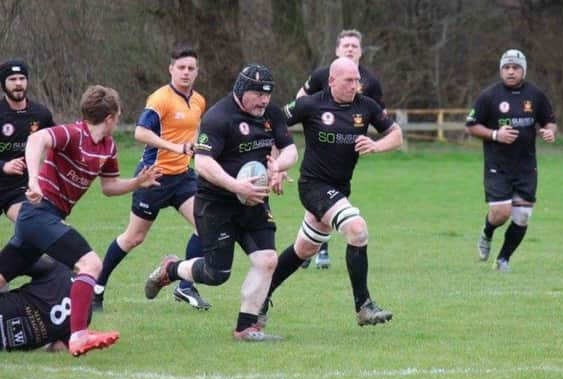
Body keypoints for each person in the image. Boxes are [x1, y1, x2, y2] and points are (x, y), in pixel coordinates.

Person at [0, 85, 161, 356]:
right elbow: (37, 139)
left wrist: (138, 183)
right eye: (118, 113)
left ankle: (74, 335)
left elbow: (108, 187)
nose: (119, 117)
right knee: (90, 263)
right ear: (110, 117)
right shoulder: (73, 133)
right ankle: (78, 336)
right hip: (38, 214)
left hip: (42, 220)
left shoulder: (108, 147)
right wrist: (33, 180)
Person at [144, 64, 298, 341]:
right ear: (241, 91)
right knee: (216, 274)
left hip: (253, 202)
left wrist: (278, 166)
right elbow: (202, 162)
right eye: (257, 95)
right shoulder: (219, 116)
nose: (264, 100)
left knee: (267, 260)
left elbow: (289, 149)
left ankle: (246, 327)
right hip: (216, 204)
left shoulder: (270, 113)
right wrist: (235, 185)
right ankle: (171, 268)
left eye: (268, 94)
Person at [259, 57, 403, 328]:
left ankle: (259, 297)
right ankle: (364, 306)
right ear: (332, 81)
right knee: (357, 230)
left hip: (339, 189)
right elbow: (272, 123)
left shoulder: (366, 106)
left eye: (357, 80)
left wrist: (375, 145)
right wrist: (275, 165)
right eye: (348, 81)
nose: (354, 86)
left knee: (304, 249)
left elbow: (396, 134)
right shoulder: (311, 104)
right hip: (313, 187)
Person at [93, 44, 210, 311]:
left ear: (197, 72)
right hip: (152, 178)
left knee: (206, 225)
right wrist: (175, 147)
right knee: (134, 238)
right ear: (171, 69)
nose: (186, 72)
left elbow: (195, 128)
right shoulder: (160, 99)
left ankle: (184, 286)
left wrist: (192, 146)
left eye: (191, 68)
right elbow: (140, 133)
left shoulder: (199, 100)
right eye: (181, 67)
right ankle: (97, 288)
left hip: (182, 177)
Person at [297, 29, 386, 269]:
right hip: (320, 151)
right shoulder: (321, 75)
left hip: (346, 159)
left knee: (327, 206)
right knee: (338, 211)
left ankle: (306, 248)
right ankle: (320, 251)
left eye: (354, 46)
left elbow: (382, 119)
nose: (349, 49)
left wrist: (373, 142)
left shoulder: (371, 84)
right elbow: (300, 100)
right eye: (345, 45)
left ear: (361, 51)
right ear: (337, 50)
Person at [466, 49, 557, 272]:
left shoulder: (536, 95)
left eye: (515, 68)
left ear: (523, 70)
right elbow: (471, 126)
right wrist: (496, 134)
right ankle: (487, 232)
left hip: (526, 165)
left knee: (522, 216)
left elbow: (549, 121)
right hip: (498, 165)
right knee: (501, 213)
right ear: (501, 70)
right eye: (506, 67)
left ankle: (503, 259)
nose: (510, 71)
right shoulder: (489, 96)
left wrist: (549, 132)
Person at [0, 59, 54, 225]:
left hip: (19, 189)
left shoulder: (41, 114)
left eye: (22, 79)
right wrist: (3, 166)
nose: (18, 84)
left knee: (35, 224)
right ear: (3, 83)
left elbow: (57, 142)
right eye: (12, 79)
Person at [0, 256, 81, 352]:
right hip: (7, 345)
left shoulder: (58, 269)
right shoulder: (86, 315)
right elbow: (59, 347)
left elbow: (15, 261)